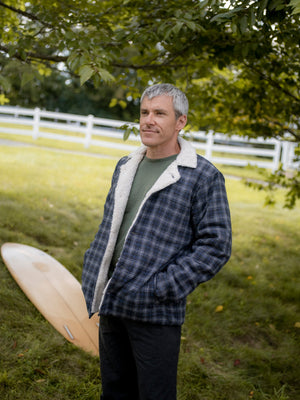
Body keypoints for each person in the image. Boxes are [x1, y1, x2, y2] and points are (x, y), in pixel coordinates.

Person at [82, 83, 232, 400]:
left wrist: (161, 288)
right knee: (115, 389)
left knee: (154, 393)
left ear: (180, 122)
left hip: (155, 311)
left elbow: (215, 245)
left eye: (159, 113)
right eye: (144, 112)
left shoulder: (202, 176)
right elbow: (112, 226)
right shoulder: (125, 165)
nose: (148, 120)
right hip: (113, 299)